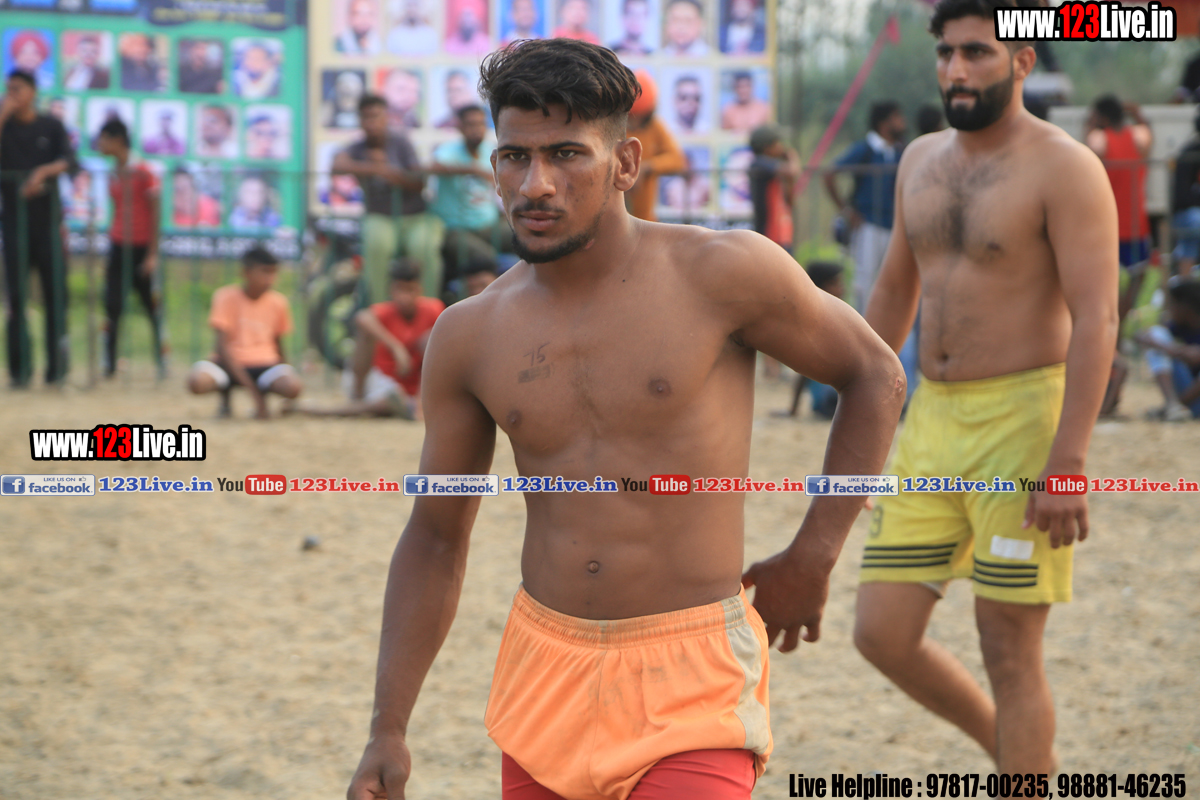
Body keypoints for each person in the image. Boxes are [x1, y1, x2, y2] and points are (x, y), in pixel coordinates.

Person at [345, 37, 905, 800]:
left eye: (567, 154)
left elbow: (875, 374)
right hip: (543, 674)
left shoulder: (721, 272)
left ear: (626, 163)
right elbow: (436, 535)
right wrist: (388, 726)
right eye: (514, 157)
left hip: (693, 670)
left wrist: (815, 553)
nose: (536, 184)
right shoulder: (470, 334)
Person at [852, 0, 1119, 774]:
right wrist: (861, 425)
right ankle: (1016, 756)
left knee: (1007, 646)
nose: (956, 70)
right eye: (946, 54)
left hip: (1023, 421)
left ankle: (1021, 772)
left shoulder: (1066, 167)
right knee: (881, 633)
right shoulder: (919, 159)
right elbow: (893, 294)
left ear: (1023, 60)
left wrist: (1069, 461)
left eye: (977, 52)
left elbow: (1097, 317)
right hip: (932, 420)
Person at [0, 70, 75, 387]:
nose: (12, 94)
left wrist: (44, 172)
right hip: (14, 225)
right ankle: (20, 372)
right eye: (8, 89)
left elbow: (70, 160)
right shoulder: (5, 128)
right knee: (17, 300)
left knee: (55, 297)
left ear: (32, 91)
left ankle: (57, 370)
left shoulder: (51, 126)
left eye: (18, 88)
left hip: (47, 224)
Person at [334, 94, 445, 304]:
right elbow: (337, 166)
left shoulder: (401, 142)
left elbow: (418, 182)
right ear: (360, 120)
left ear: (386, 117)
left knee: (424, 248)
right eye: (366, 117)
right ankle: (380, 310)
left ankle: (429, 310)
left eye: (376, 116)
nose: (371, 122)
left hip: (415, 216)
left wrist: (392, 174)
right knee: (376, 246)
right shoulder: (358, 147)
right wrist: (375, 168)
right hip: (380, 216)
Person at [296, 259, 441, 420]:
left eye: (410, 290)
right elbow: (362, 317)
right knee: (365, 333)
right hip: (378, 381)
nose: (405, 297)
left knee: (430, 338)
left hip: (413, 388)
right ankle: (357, 397)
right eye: (400, 290)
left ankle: (418, 405)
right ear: (391, 290)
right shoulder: (384, 311)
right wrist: (396, 347)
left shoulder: (433, 309)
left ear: (420, 289)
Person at [186, 246, 303, 418]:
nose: (270, 279)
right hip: (228, 363)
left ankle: (263, 390)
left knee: (293, 386)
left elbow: (279, 344)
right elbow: (222, 348)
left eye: (273, 273)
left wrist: (286, 370)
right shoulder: (225, 297)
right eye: (265, 272)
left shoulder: (278, 302)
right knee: (197, 381)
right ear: (246, 272)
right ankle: (227, 396)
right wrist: (254, 395)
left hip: (265, 365)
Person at [95, 119, 164, 379]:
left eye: (104, 139)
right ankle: (109, 365)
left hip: (142, 248)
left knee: (152, 307)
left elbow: (156, 211)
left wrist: (153, 254)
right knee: (112, 306)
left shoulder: (144, 171)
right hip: (118, 245)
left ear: (118, 141)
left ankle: (163, 360)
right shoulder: (113, 171)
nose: (100, 145)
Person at [824, 100, 906, 311]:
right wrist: (846, 210)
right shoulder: (865, 150)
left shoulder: (900, 151)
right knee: (865, 280)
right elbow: (830, 173)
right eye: (897, 118)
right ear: (883, 123)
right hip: (869, 223)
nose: (902, 123)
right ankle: (863, 324)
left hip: (894, 225)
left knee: (895, 281)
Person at [430, 105, 513, 298]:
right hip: (456, 230)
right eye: (470, 124)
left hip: (489, 224)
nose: (476, 129)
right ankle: (495, 303)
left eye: (480, 124)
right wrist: (471, 169)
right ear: (460, 127)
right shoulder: (449, 151)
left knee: (525, 236)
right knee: (484, 257)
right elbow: (433, 167)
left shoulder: (490, 152)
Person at [1086, 95, 1152, 326]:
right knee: (1137, 277)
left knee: (1103, 282)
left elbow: (1086, 153)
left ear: (1101, 117)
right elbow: (1148, 133)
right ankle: (1119, 327)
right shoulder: (1137, 138)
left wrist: (1090, 125)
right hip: (1135, 224)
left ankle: (1109, 327)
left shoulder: (1099, 139)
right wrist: (1136, 113)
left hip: (1106, 224)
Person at [776, 261, 844, 419]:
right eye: (835, 283)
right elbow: (803, 372)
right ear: (820, 287)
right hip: (826, 400)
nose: (842, 288)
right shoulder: (817, 322)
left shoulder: (838, 316)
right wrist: (793, 409)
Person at [1135, 279, 1200, 421]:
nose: (1169, 309)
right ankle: (1173, 405)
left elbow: (1194, 357)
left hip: (1194, 401)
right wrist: (1175, 350)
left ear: (1185, 307)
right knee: (1157, 334)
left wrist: (1164, 347)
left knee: (1157, 343)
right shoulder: (1179, 326)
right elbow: (1143, 335)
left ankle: (1174, 406)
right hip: (1191, 397)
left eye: (1172, 304)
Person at [625, 70, 686, 222]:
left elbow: (677, 160)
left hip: (645, 219)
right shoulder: (613, 127)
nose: (635, 123)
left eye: (641, 117)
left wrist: (646, 167)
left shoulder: (655, 126)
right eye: (631, 117)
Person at [748, 125, 797, 252]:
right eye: (778, 143)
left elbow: (789, 201)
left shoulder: (773, 170)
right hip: (769, 235)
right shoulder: (759, 163)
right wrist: (791, 155)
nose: (781, 147)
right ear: (767, 147)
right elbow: (792, 171)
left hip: (781, 234)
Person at [1170, 110, 1200, 277]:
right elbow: (1182, 197)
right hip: (1187, 214)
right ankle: (1184, 281)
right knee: (1196, 221)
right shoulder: (1190, 154)